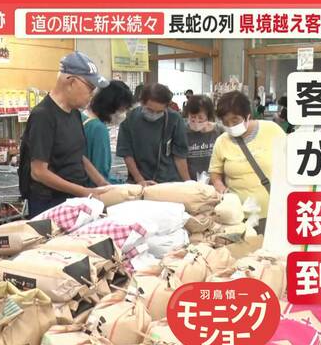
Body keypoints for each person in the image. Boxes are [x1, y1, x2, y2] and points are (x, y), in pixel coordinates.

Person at [18, 51, 111, 217]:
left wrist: (102, 184)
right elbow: (39, 172)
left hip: (74, 199)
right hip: (50, 203)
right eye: (90, 87)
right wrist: (83, 191)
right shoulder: (43, 116)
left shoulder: (74, 112)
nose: (92, 95)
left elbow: (78, 156)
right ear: (71, 82)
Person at [209, 91, 286, 233]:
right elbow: (215, 173)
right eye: (225, 122)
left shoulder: (272, 130)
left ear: (248, 115)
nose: (230, 125)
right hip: (238, 217)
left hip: (273, 213)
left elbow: (290, 162)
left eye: (235, 120)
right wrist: (222, 190)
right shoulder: (222, 141)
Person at [117, 83, 190, 185]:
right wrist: (140, 180)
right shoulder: (130, 118)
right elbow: (127, 154)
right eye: (150, 110)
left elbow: (180, 156)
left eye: (159, 112)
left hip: (169, 180)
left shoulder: (174, 119)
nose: (154, 115)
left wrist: (188, 183)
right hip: (139, 179)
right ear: (142, 102)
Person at [82, 80, 134, 183]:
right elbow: (100, 174)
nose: (123, 114)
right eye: (122, 109)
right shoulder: (98, 129)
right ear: (110, 106)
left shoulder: (81, 117)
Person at [184, 95, 224, 181]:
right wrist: (188, 181)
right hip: (191, 182)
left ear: (208, 116)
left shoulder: (219, 131)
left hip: (216, 182)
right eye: (192, 117)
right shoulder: (183, 132)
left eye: (200, 117)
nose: (196, 121)